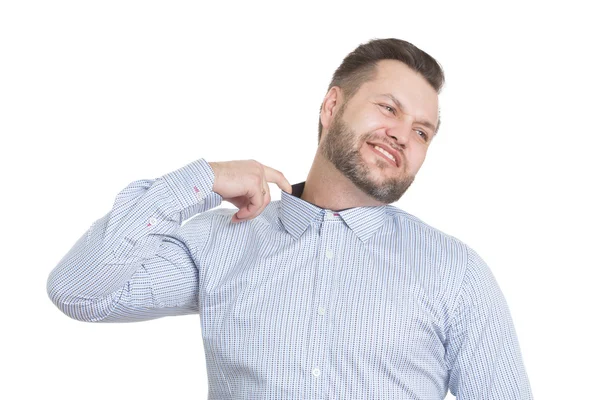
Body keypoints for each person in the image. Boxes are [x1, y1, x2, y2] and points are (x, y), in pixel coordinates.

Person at [47, 38, 533, 399]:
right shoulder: (223, 241)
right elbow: (81, 292)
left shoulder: (455, 272)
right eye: (389, 108)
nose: (403, 134)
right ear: (332, 105)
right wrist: (200, 179)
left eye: (423, 131)